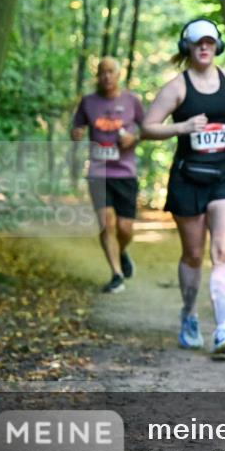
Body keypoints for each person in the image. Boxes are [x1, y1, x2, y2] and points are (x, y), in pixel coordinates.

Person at [141, 18, 225, 354]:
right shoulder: (177, 87)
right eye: (197, 43)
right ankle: (190, 314)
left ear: (217, 46)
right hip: (188, 177)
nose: (204, 47)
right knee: (193, 255)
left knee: (223, 250)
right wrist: (183, 127)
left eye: (209, 42)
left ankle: (223, 330)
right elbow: (147, 128)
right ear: (187, 48)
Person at [70, 57, 144, 294]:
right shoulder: (88, 102)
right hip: (98, 172)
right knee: (107, 223)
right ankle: (116, 274)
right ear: (97, 76)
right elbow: (76, 128)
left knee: (125, 228)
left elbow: (148, 128)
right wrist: (77, 133)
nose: (106, 76)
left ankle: (121, 251)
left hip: (125, 172)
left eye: (111, 72)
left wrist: (135, 137)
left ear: (118, 74)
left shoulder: (132, 101)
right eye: (102, 72)